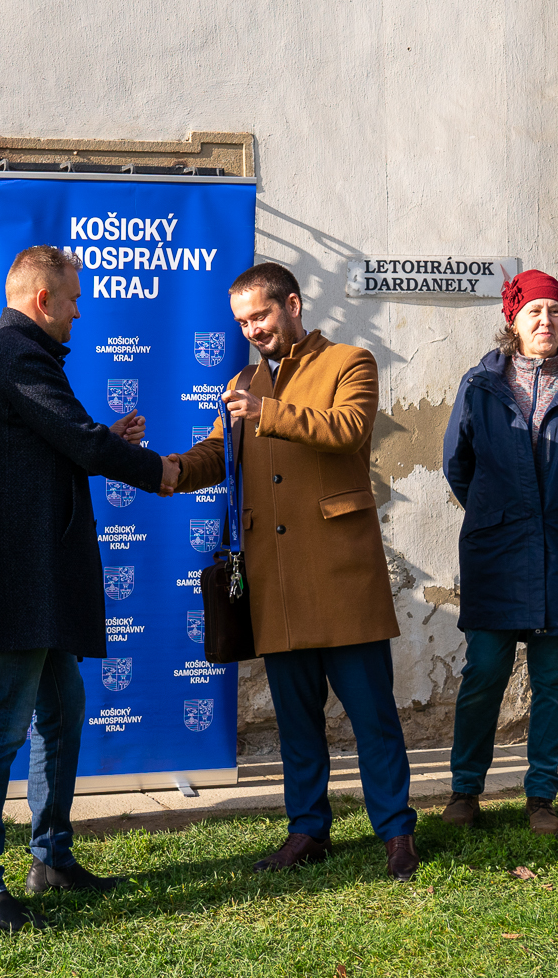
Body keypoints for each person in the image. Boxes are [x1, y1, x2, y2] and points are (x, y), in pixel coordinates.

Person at [168, 263, 420, 881]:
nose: (252, 329)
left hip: (340, 576)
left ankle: (396, 833)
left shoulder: (350, 362)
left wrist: (266, 408)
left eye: (261, 315)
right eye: (243, 321)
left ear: (293, 305)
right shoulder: (243, 380)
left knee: (373, 718)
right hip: (273, 579)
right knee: (296, 723)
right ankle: (307, 831)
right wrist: (166, 469)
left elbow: (348, 429)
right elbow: (218, 452)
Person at [0, 246, 167, 932]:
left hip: (38, 578)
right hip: (21, 582)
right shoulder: (16, 354)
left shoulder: (18, 354)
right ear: (43, 299)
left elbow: (54, 444)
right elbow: (80, 444)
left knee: (63, 710)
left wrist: (97, 437)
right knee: (2, 727)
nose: (79, 310)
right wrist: (159, 469)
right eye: (72, 299)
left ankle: (51, 857)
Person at [439, 269, 558, 836]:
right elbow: (457, 465)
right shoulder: (481, 384)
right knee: (484, 671)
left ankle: (541, 795)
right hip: (497, 550)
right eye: (534, 312)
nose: (546, 322)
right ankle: (466, 790)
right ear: (512, 321)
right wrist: (496, 511)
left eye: (555, 312)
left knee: (554, 679)